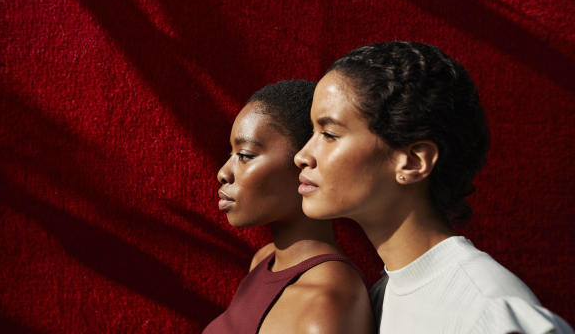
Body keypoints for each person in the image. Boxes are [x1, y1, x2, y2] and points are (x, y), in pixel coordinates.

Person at [294, 42, 573, 333]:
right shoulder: (381, 297)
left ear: (413, 162)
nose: (301, 155)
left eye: (329, 133)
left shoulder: (490, 314)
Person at [204, 80, 374, 334]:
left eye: (246, 155)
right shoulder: (264, 260)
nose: (223, 173)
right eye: (231, 154)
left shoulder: (327, 303)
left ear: (306, 161)